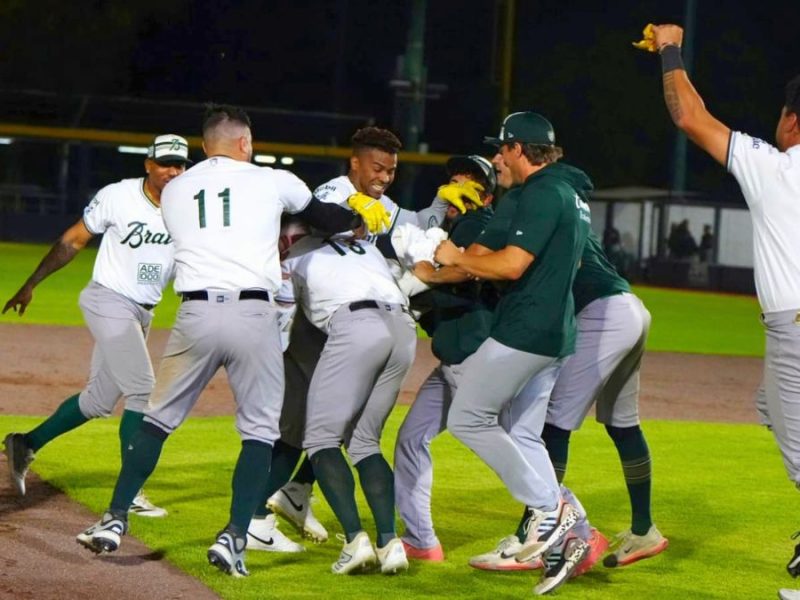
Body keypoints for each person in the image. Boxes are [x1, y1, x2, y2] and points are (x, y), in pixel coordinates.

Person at [73, 104, 387, 577]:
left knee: (155, 421)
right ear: (245, 143)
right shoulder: (272, 180)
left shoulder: (175, 188)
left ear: (204, 147)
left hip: (195, 312)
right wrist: (357, 215)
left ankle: (115, 518)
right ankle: (236, 536)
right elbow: (325, 218)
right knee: (260, 432)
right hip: (254, 314)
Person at [257, 127, 484, 542]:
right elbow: (316, 216)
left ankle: (293, 495)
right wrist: (350, 210)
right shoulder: (335, 190)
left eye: (391, 171)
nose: (384, 177)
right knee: (309, 424)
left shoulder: (379, 201)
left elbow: (410, 228)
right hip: (314, 313)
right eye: (377, 168)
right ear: (355, 163)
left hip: (344, 315)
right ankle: (261, 515)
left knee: (331, 422)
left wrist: (438, 204)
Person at [644, 23, 800, 598]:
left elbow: (689, 115)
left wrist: (669, 48)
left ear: (791, 120)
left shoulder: (779, 167)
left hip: (796, 330)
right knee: (768, 406)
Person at [432, 111, 593, 589]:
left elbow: (512, 266)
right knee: (523, 432)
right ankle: (563, 541)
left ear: (519, 149)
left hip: (527, 329)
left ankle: (551, 510)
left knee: (468, 417)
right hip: (556, 331)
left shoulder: (542, 192)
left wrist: (454, 256)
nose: (498, 158)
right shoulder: (568, 192)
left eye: (502, 149)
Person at [2, 133, 192, 518]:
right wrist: (31, 283)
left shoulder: (189, 208)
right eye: (165, 163)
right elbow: (74, 240)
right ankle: (130, 492)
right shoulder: (118, 196)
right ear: (148, 164)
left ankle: (25, 443)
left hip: (143, 311)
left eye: (179, 165)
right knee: (142, 390)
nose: (172, 171)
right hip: (108, 300)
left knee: (97, 401)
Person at [280, 216, 417, 575]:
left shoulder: (296, 254)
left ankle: (355, 541)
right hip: (404, 329)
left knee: (320, 440)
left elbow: (283, 316)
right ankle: (390, 543)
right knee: (365, 442)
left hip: (358, 326)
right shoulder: (365, 247)